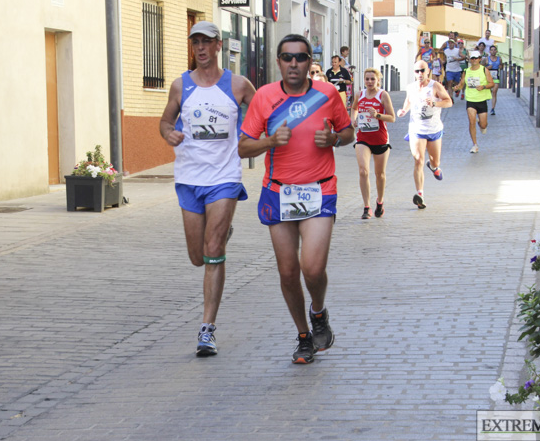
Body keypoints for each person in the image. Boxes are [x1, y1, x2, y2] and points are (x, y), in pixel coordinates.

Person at [238, 34, 354, 364]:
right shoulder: (264, 97)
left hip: (320, 190)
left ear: (308, 62)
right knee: (288, 272)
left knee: (312, 268)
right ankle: (304, 335)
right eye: (287, 58)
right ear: (278, 62)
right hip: (278, 191)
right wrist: (270, 141)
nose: (294, 64)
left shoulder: (327, 94)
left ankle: (318, 312)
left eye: (300, 58)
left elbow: (348, 133)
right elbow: (243, 146)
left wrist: (334, 138)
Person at [159, 21, 257, 357]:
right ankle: (220, 232)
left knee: (213, 249)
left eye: (207, 42)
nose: (200, 48)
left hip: (224, 177)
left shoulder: (239, 85)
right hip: (189, 177)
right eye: (195, 42)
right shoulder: (180, 86)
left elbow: (260, 118)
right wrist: (168, 133)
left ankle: (207, 329)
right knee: (197, 257)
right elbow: (165, 121)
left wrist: (254, 138)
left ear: (219, 46)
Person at [398, 60, 453, 210]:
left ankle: (434, 167)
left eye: (422, 70)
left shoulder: (435, 86)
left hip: (434, 130)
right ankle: (420, 195)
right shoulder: (411, 87)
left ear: (428, 71)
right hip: (416, 129)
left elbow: (449, 102)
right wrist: (404, 111)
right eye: (417, 71)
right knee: (418, 160)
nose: (420, 74)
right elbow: (408, 101)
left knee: (435, 161)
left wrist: (435, 103)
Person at [350, 68, 396, 219]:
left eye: (372, 79)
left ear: (378, 81)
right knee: (363, 171)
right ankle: (366, 207)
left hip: (380, 138)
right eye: (367, 79)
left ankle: (380, 202)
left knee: (380, 174)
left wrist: (377, 115)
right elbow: (354, 108)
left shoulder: (383, 95)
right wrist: (354, 119)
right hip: (363, 137)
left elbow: (392, 117)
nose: (369, 82)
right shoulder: (359, 94)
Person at [454, 50, 494, 154]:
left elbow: (491, 83)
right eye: (472, 58)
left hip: (481, 100)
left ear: (480, 59)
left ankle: (481, 124)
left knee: (483, 125)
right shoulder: (466, 71)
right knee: (471, 122)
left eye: (476, 58)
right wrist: (457, 87)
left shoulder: (484, 70)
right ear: (470, 60)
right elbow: (462, 84)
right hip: (471, 100)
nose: (474, 60)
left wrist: (483, 86)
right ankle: (475, 145)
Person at [485, 45, 502, 115]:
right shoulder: (486, 59)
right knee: (489, 91)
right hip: (488, 78)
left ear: (496, 51)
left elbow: (501, 66)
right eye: (491, 50)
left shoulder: (499, 59)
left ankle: (492, 108)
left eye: (494, 50)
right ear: (489, 51)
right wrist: (488, 67)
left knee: (494, 92)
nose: (493, 51)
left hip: (496, 77)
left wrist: (501, 67)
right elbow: (482, 68)